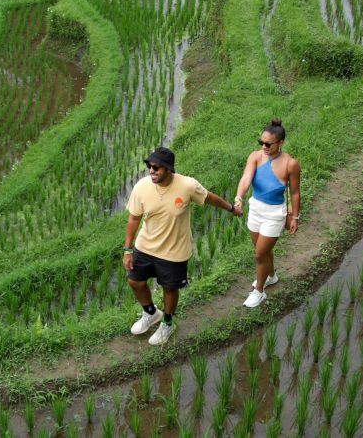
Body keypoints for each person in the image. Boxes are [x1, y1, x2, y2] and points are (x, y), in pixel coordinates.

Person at [123, 146, 242, 345]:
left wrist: (231, 208)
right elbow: (134, 218)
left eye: (156, 167)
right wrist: (127, 249)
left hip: (174, 252)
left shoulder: (187, 186)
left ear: (169, 169)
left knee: (169, 289)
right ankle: (151, 313)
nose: (151, 171)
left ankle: (167, 323)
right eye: (149, 166)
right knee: (135, 281)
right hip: (145, 246)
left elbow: (209, 197)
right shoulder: (142, 186)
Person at [232, 119, 301, 308]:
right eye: (261, 142)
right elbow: (246, 178)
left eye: (268, 144)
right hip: (255, 209)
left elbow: (295, 192)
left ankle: (259, 291)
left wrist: (294, 216)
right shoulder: (255, 156)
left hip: (274, 214)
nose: (264, 146)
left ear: (280, 143)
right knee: (262, 250)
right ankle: (271, 276)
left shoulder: (290, 164)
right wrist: (239, 197)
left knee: (259, 255)